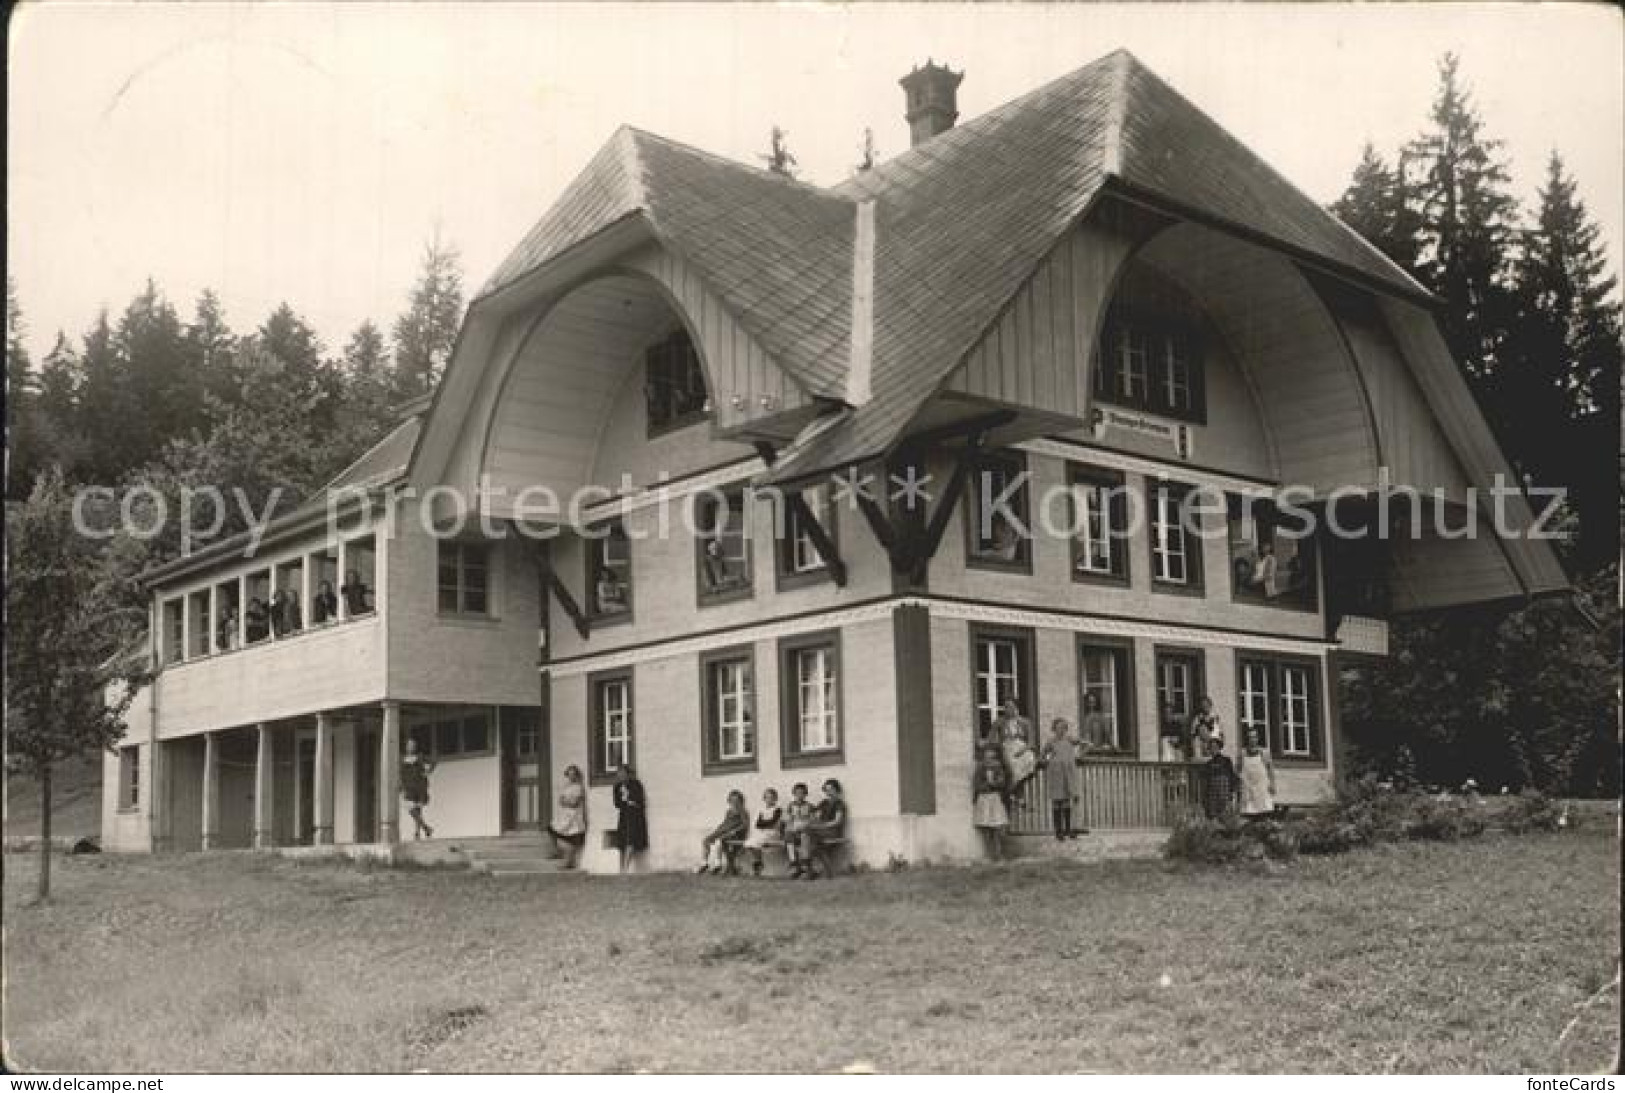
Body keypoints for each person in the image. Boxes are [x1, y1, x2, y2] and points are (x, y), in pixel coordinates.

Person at [1039, 717, 1086, 840]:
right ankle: (1058, 831)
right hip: (1055, 773)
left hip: (1068, 773)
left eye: (1064, 728)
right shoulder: (1051, 741)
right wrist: (1048, 762)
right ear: (1054, 729)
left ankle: (1068, 829)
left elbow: (1087, 744)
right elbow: (1042, 755)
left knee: (1066, 800)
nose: (1061, 730)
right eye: (1058, 728)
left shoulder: (1069, 740)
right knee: (1057, 801)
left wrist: (1080, 756)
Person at [800, 779, 847, 880]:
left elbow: (837, 821)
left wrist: (822, 825)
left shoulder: (839, 803)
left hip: (833, 831)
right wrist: (811, 820)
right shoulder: (824, 803)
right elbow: (815, 815)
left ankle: (808, 870)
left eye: (831, 789)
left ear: (837, 790)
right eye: (826, 790)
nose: (828, 792)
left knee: (807, 836)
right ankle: (813, 869)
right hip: (820, 831)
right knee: (807, 836)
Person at [972, 744, 1012, 860]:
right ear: (984, 754)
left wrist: (994, 783)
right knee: (986, 827)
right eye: (987, 752)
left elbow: (1002, 781)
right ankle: (988, 854)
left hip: (995, 798)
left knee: (998, 826)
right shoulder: (980, 767)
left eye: (992, 752)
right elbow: (976, 783)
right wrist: (985, 786)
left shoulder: (998, 766)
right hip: (984, 798)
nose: (990, 754)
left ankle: (999, 854)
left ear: (995, 754)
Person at [989, 698, 1037, 791]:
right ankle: (1012, 791)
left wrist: (1022, 751)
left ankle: (1018, 792)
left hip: (1022, 749)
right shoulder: (999, 722)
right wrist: (998, 745)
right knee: (1012, 766)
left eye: (1011, 706)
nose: (1008, 709)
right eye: (1006, 707)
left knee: (1029, 760)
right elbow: (991, 738)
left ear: (1016, 707)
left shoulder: (1025, 722)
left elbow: (1031, 742)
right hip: (1006, 748)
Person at [699, 790, 749, 875]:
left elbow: (745, 825)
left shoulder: (743, 811)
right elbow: (726, 823)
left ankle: (718, 864)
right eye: (732, 801)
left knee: (720, 841)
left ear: (741, 801)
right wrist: (718, 830)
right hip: (724, 831)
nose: (734, 803)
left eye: (737, 801)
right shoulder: (729, 811)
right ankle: (704, 863)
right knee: (706, 841)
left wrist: (735, 831)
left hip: (735, 834)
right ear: (729, 801)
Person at [547, 764, 588, 869]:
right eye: (569, 774)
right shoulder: (566, 787)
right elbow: (560, 801)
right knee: (551, 828)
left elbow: (575, 803)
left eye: (573, 774)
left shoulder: (579, 787)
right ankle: (555, 851)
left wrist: (566, 802)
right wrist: (566, 802)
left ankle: (569, 863)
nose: (571, 777)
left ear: (577, 775)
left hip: (574, 815)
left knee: (571, 838)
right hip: (565, 814)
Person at [612, 764, 648, 873]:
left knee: (631, 839)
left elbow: (640, 800)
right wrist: (625, 801)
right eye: (619, 774)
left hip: (635, 815)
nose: (621, 776)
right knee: (622, 841)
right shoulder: (617, 786)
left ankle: (626, 868)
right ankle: (621, 868)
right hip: (624, 814)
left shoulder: (636, 784)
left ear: (628, 774)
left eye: (623, 774)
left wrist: (631, 800)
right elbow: (617, 803)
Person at [742, 787, 784, 876]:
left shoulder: (777, 809)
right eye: (767, 798)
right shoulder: (761, 810)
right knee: (749, 844)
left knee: (757, 842)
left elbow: (773, 822)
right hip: (762, 832)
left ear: (775, 799)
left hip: (773, 833)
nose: (770, 800)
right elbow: (758, 823)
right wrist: (766, 823)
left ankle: (758, 864)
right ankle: (758, 861)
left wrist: (765, 823)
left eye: (772, 798)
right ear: (764, 799)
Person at [400, 738, 436, 839]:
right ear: (406, 747)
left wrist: (427, 772)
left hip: (420, 786)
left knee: (418, 809)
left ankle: (417, 833)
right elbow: (401, 774)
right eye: (409, 745)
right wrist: (401, 786)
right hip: (408, 787)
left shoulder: (419, 757)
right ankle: (426, 828)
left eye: (412, 745)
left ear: (415, 747)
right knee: (411, 809)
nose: (410, 747)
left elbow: (433, 762)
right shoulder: (402, 759)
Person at [1238, 728, 1277, 820]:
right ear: (1247, 739)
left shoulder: (1264, 753)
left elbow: (1270, 770)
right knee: (1249, 815)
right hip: (1248, 789)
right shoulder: (1242, 754)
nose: (1252, 740)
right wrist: (1240, 784)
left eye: (1254, 737)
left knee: (1264, 815)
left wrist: (1272, 784)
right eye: (1250, 737)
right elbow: (1238, 770)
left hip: (1262, 789)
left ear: (1257, 738)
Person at [1200, 736, 1238, 820]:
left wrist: (1232, 792)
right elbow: (1206, 783)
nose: (1214, 750)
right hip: (1213, 796)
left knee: (1226, 817)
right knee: (1213, 818)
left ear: (1219, 748)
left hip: (1224, 794)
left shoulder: (1226, 761)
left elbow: (1232, 776)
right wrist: (1205, 798)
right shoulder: (1208, 764)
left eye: (1215, 747)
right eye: (1211, 748)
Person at [782, 782, 815, 877]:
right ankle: (794, 864)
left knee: (804, 836)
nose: (800, 796)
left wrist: (806, 824)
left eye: (802, 793)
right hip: (794, 827)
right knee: (789, 836)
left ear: (805, 794)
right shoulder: (791, 805)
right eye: (797, 793)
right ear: (794, 794)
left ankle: (806, 866)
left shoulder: (810, 806)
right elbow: (786, 818)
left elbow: (812, 819)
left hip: (806, 827)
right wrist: (790, 821)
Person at [1188, 696, 1222, 761]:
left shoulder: (1215, 718)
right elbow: (1193, 733)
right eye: (1203, 706)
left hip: (1212, 743)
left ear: (1210, 706)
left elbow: (1219, 733)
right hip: (1200, 744)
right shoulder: (1198, 718)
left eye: (1206, 705)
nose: (1205, 708)